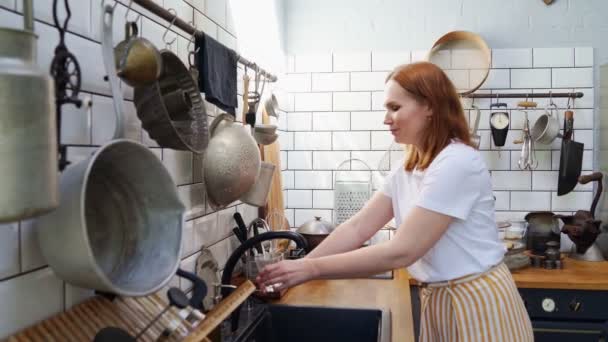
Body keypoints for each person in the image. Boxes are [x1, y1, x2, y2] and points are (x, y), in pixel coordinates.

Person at [257, 61, 533, 341]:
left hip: (478, 303)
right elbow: (358, 228)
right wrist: (296, 269)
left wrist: (308, 269)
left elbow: (403, 251)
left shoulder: (456, 162)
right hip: (441, 299)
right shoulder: (407, 169)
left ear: (430, 106)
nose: (386, 118)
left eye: (395, 107)